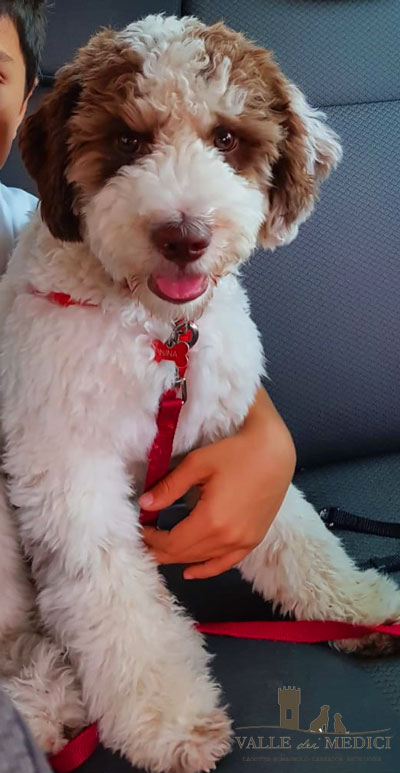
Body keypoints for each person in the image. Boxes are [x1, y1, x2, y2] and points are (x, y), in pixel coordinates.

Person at [0, 1, 296, 587]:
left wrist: (269, 443)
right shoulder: (43, 265)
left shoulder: (28, 227)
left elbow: (184, 348)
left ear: (28, 93)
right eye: (131, 145)